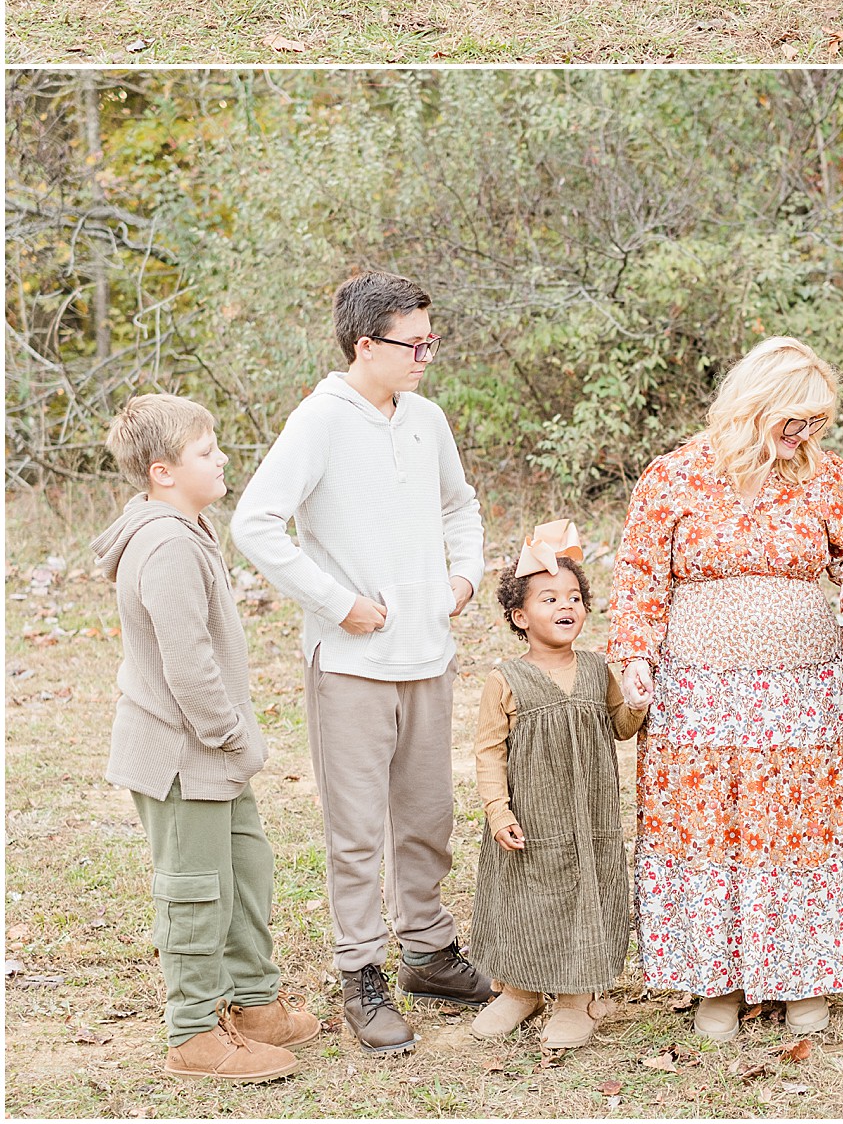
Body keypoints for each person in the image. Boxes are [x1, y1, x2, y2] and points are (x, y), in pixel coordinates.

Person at [231, 272, 491, 1053]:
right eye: (414, 344)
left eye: (431, 341)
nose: (426, 356)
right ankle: (361, 977)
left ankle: (428, 952)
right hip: (349, 663)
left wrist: (465, 577)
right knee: (355, 833)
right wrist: (336, 602)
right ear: (365, 344)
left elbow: (460, 504)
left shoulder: (427, 419)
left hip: (427, 654)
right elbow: (255, 523)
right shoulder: (319, 421)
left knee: (428, 816)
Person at [607, 337, 843, 1042]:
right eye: (793, 419)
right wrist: (634, 656)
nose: (805, 435)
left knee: (797, 830)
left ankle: (803, 978)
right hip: (698, 694)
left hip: (802, 695)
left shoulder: (826, 479)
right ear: (752, 403)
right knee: (709, 827)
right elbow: (639, 576)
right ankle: (719, 983)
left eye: (817, 423)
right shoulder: (672, 477)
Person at [94, 394, 320, 1084]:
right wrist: (233, 737)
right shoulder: (164, 546)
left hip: (212, 755)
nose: (220, 457)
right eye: (204, 450)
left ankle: (253, 1004)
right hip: (180, 753)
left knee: (245, 871)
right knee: (194, 891)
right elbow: (186, 665)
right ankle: (193, 1033)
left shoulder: (187, 529)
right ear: (163, 471)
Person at [468, 521, 645, 1047]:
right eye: (549, 598)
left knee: (586, 896)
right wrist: (498, 811)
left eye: (574, 596)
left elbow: (619, 726)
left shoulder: (597, 668)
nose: (565, 605)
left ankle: (579, 999)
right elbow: (487, 751)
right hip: (532, 818)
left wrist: (635, 703)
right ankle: (520, 990)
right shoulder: (506, 678)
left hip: (588, 820)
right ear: (520, 616)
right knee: (527, 899)